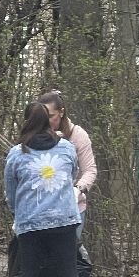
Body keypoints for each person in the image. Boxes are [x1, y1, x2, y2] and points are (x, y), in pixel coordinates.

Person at [4, 101, 90, 277]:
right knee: (69, 274)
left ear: (26, 122)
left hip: (30, 224)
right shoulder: (66, 149)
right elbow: (72, 176)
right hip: (64, 221)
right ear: (50, 121)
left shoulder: (17, 153)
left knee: (27, 276)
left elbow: (10, 191)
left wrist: (18, 212)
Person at [37, 88, 96, 237]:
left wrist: (78, 189)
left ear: (61, 112)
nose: (47, 121)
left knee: (70, 253)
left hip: (72, 210)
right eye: (43, 116)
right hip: (41, 209)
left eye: (51, 116)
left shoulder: (78, 135)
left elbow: (90, 170)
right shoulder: (35, 135)